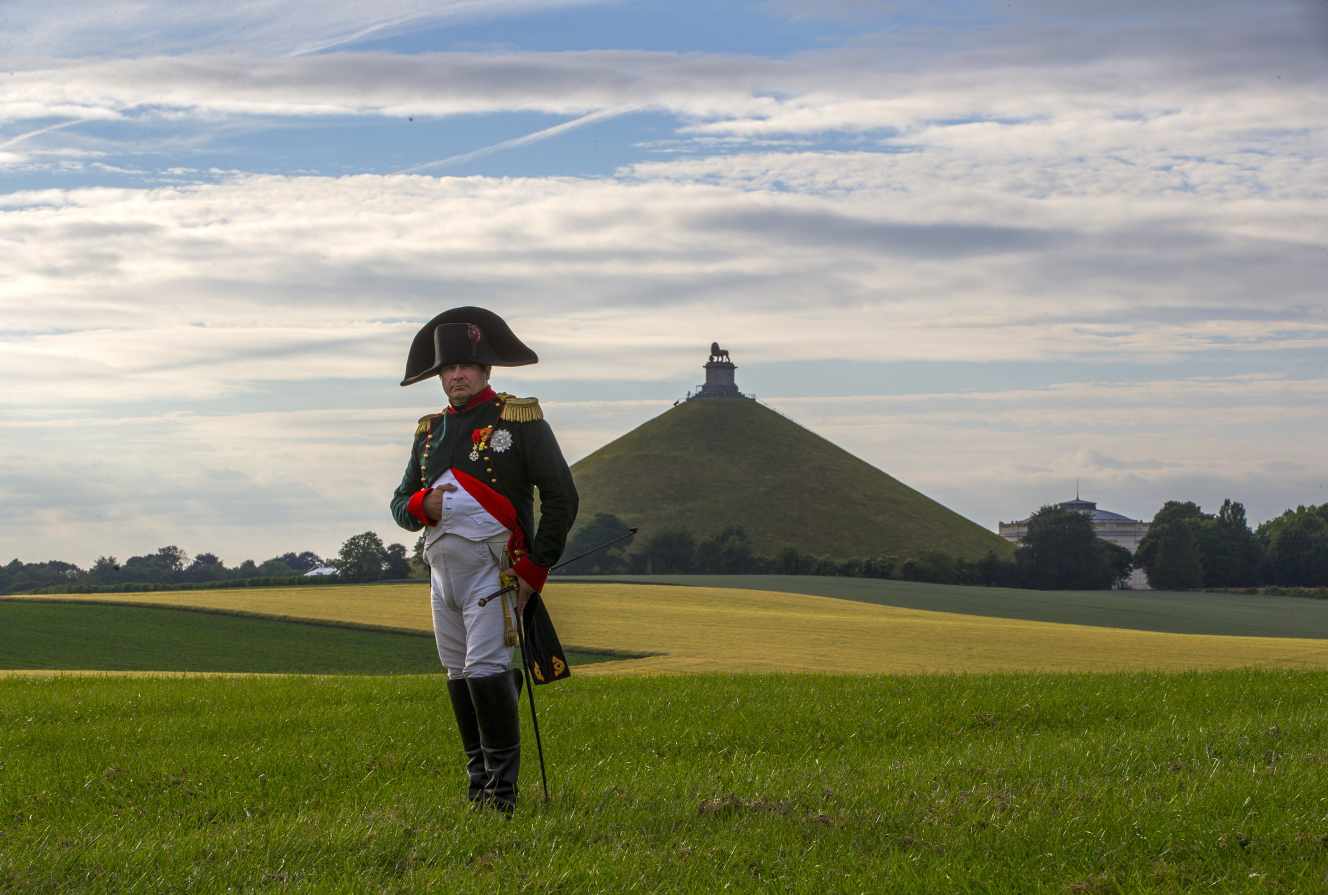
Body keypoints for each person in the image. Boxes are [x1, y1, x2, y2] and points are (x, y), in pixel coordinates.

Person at [390, 306, 578, 813]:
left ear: (486, 370)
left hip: (496, 571)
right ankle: (478, 786)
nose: (456, 375)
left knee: (486, 668)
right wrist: (418, 506)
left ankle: (501, 797)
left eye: (467, 366)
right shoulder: (428, 432)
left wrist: (534, 570)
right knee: (458, 673)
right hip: (442, 575)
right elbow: (399, 503)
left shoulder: (519, 418)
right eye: (448, 368)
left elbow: (561, 497)